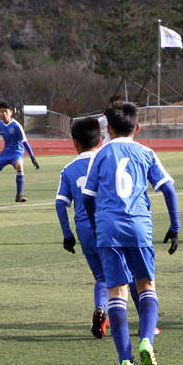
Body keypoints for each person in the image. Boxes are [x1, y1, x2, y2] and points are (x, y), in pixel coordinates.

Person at [82, 101, 179, 365]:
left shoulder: (100, 154)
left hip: (108, 228)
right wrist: (175, 224)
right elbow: (168, 188)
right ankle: (147, 340)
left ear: (108, 130)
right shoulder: (146, 152)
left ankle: (125, 361)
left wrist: (95, 224)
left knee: (117, 291)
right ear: (137, 127)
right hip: (138, 226)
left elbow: (88, 197)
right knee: (146, 284)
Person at [56, 116, 109, 338]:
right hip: (109, 225)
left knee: (101, 277)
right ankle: (143, 321)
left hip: (85, 230)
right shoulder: (107, 160)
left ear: (75, 142)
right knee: (126, 275)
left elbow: (60, 204)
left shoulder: (68, 169)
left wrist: (67, 235)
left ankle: (101, 308)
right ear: (99, 140)